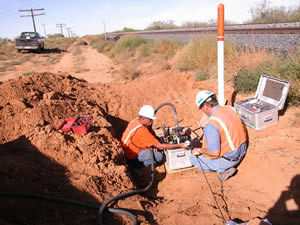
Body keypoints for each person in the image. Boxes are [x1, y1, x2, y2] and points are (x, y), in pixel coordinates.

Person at [190, 90, 248, 181]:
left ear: (206, 106)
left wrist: (199, 150)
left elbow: (215, 153)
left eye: (201, 108)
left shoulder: (212, 125)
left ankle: (224, 169)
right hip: (243, 150)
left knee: (193, 158)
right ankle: (225, 166)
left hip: (231, 158)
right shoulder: (229, 108)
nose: (202, 111)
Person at [121, 105, 188, 169]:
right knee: (159, 156)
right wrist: (180, 145)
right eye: (150, 119)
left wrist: (152, 146)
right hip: (132, 156)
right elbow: (161, 146)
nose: (151, 121)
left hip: (131, 148)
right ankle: (136, 167)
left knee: (159, 140)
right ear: (144, 118)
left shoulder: (136, 121)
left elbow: (149, 134)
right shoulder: (141, 130)